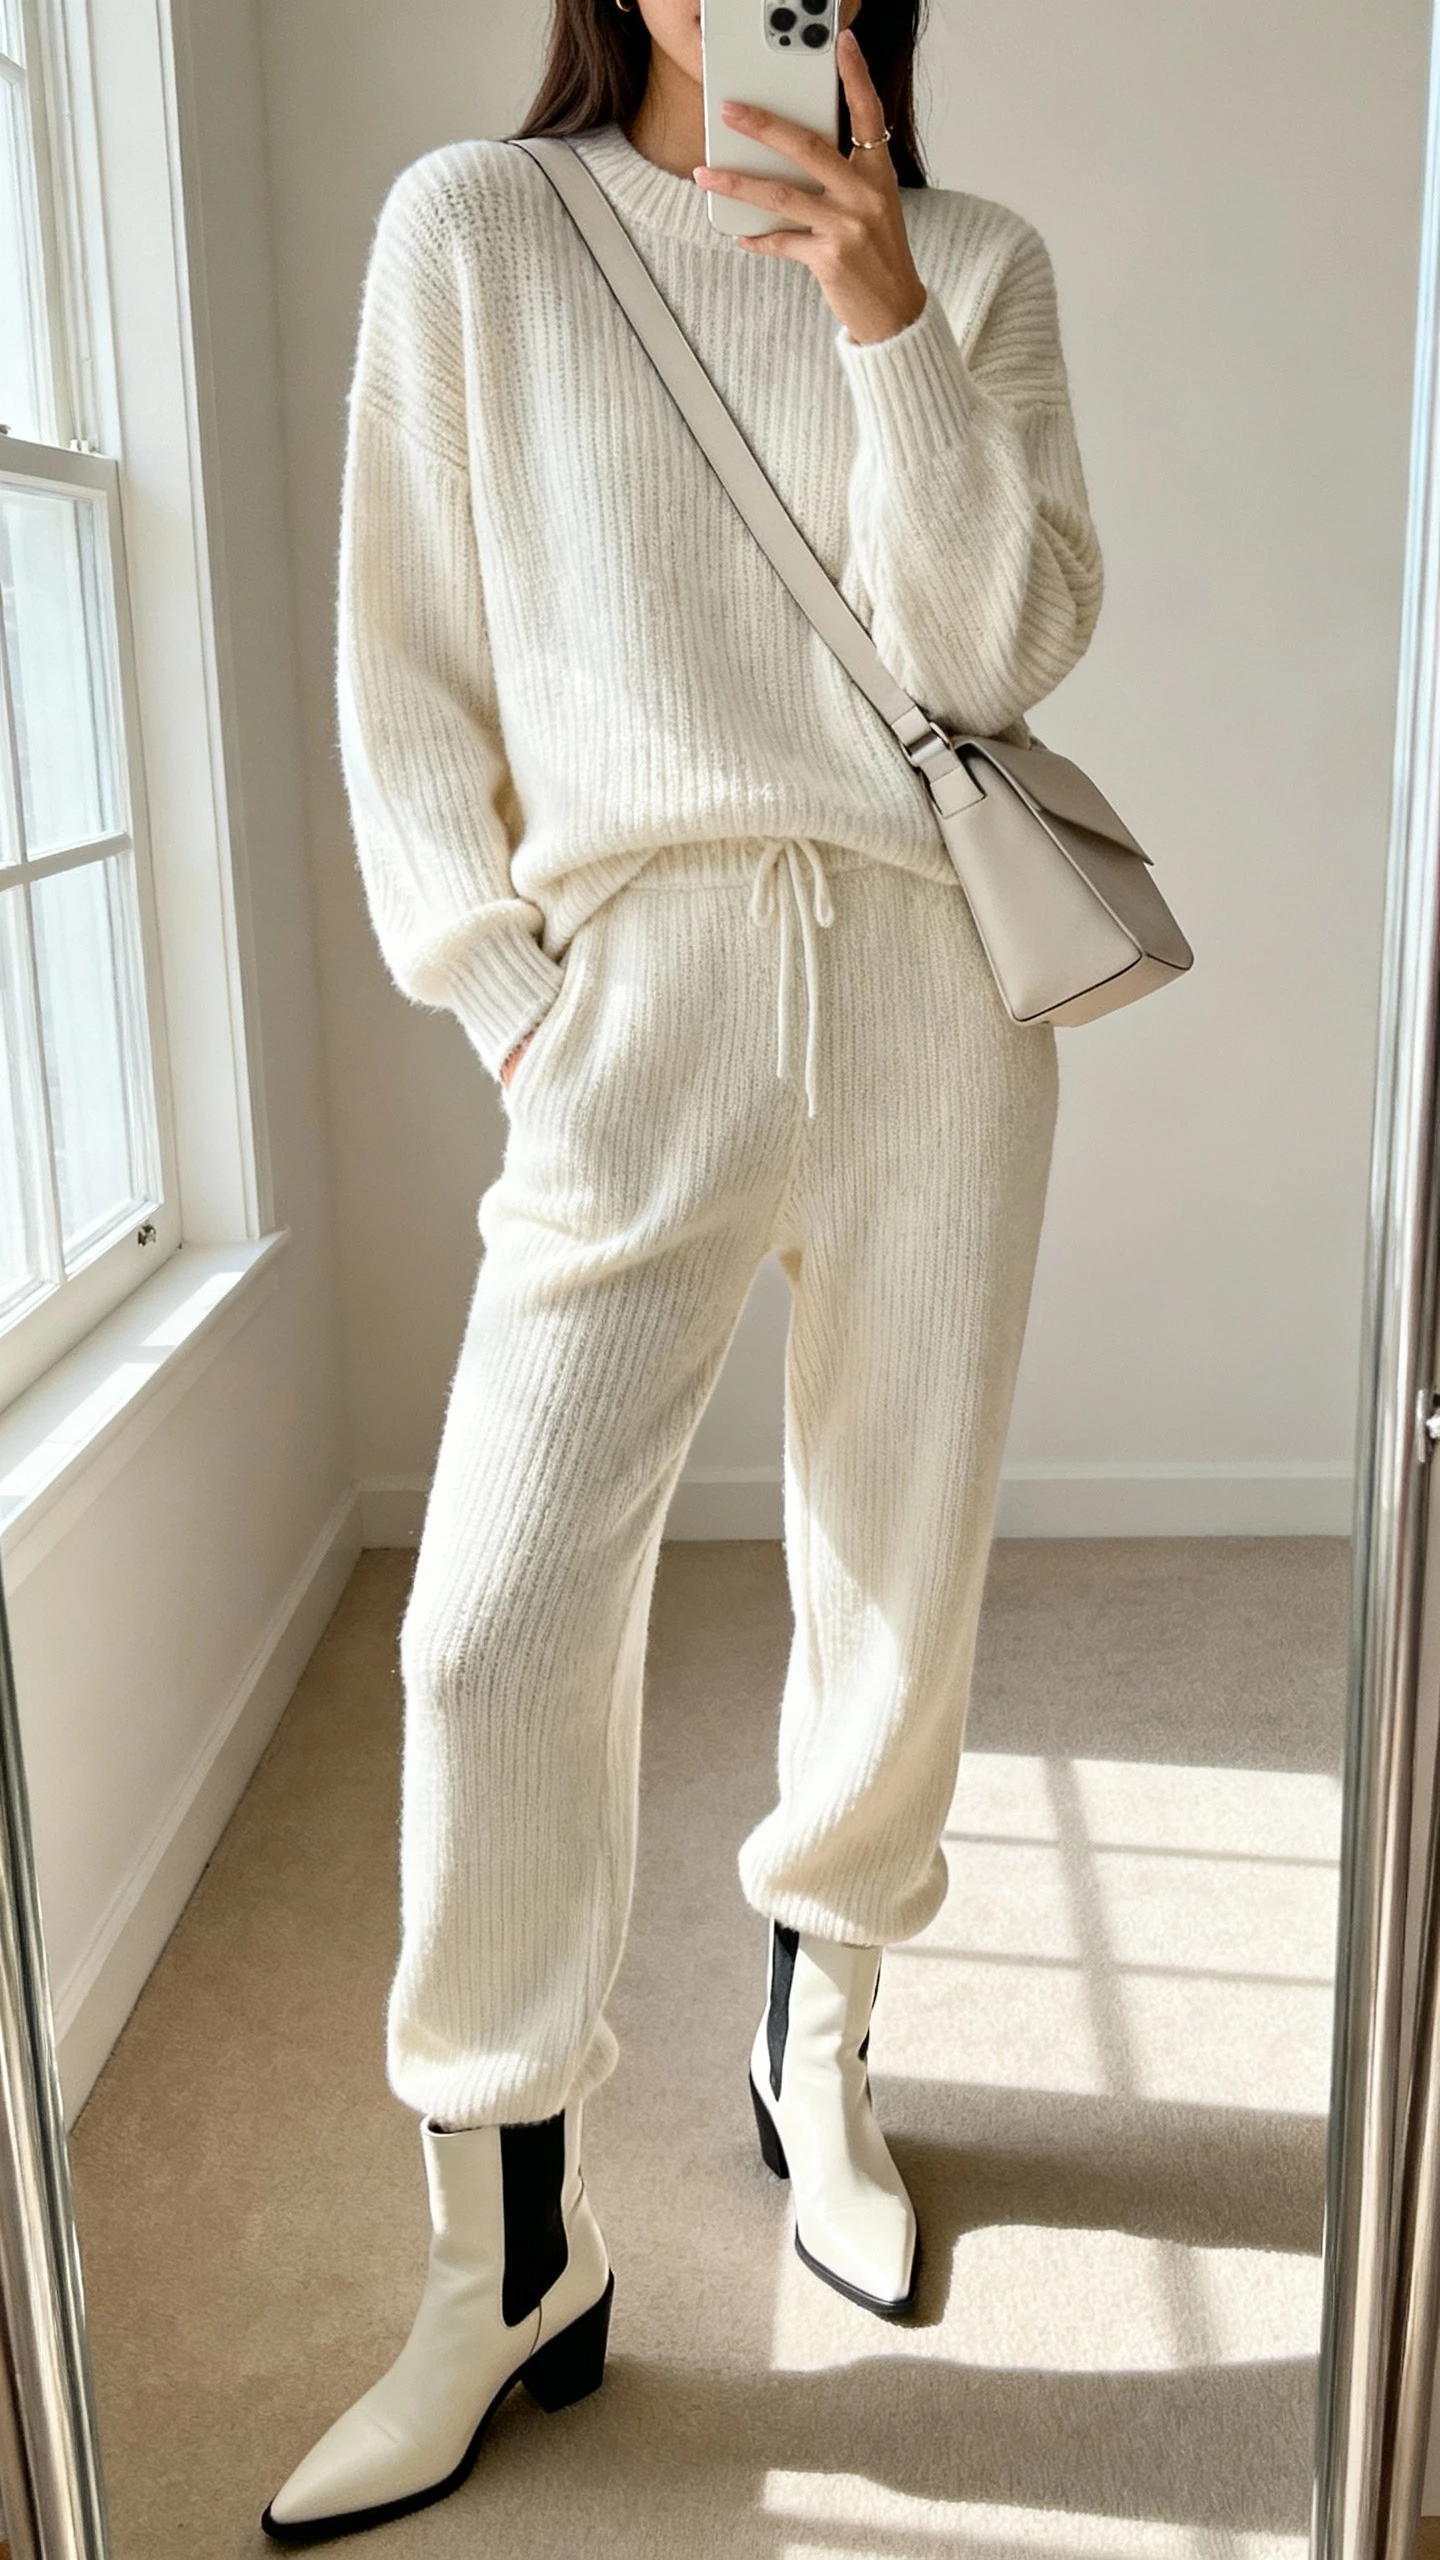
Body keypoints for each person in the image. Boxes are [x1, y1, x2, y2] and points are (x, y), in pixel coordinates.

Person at [261, 0, 1102, 2538]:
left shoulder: (974, 261)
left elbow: (993, 652)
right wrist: (510, 995)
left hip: (935, 994)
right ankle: (505, 2251)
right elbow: (403, 658)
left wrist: (882, 316)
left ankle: (816, 2044)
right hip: (633, 1000)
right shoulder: (477, 232)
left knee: (894, 1565)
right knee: (487, 1623)